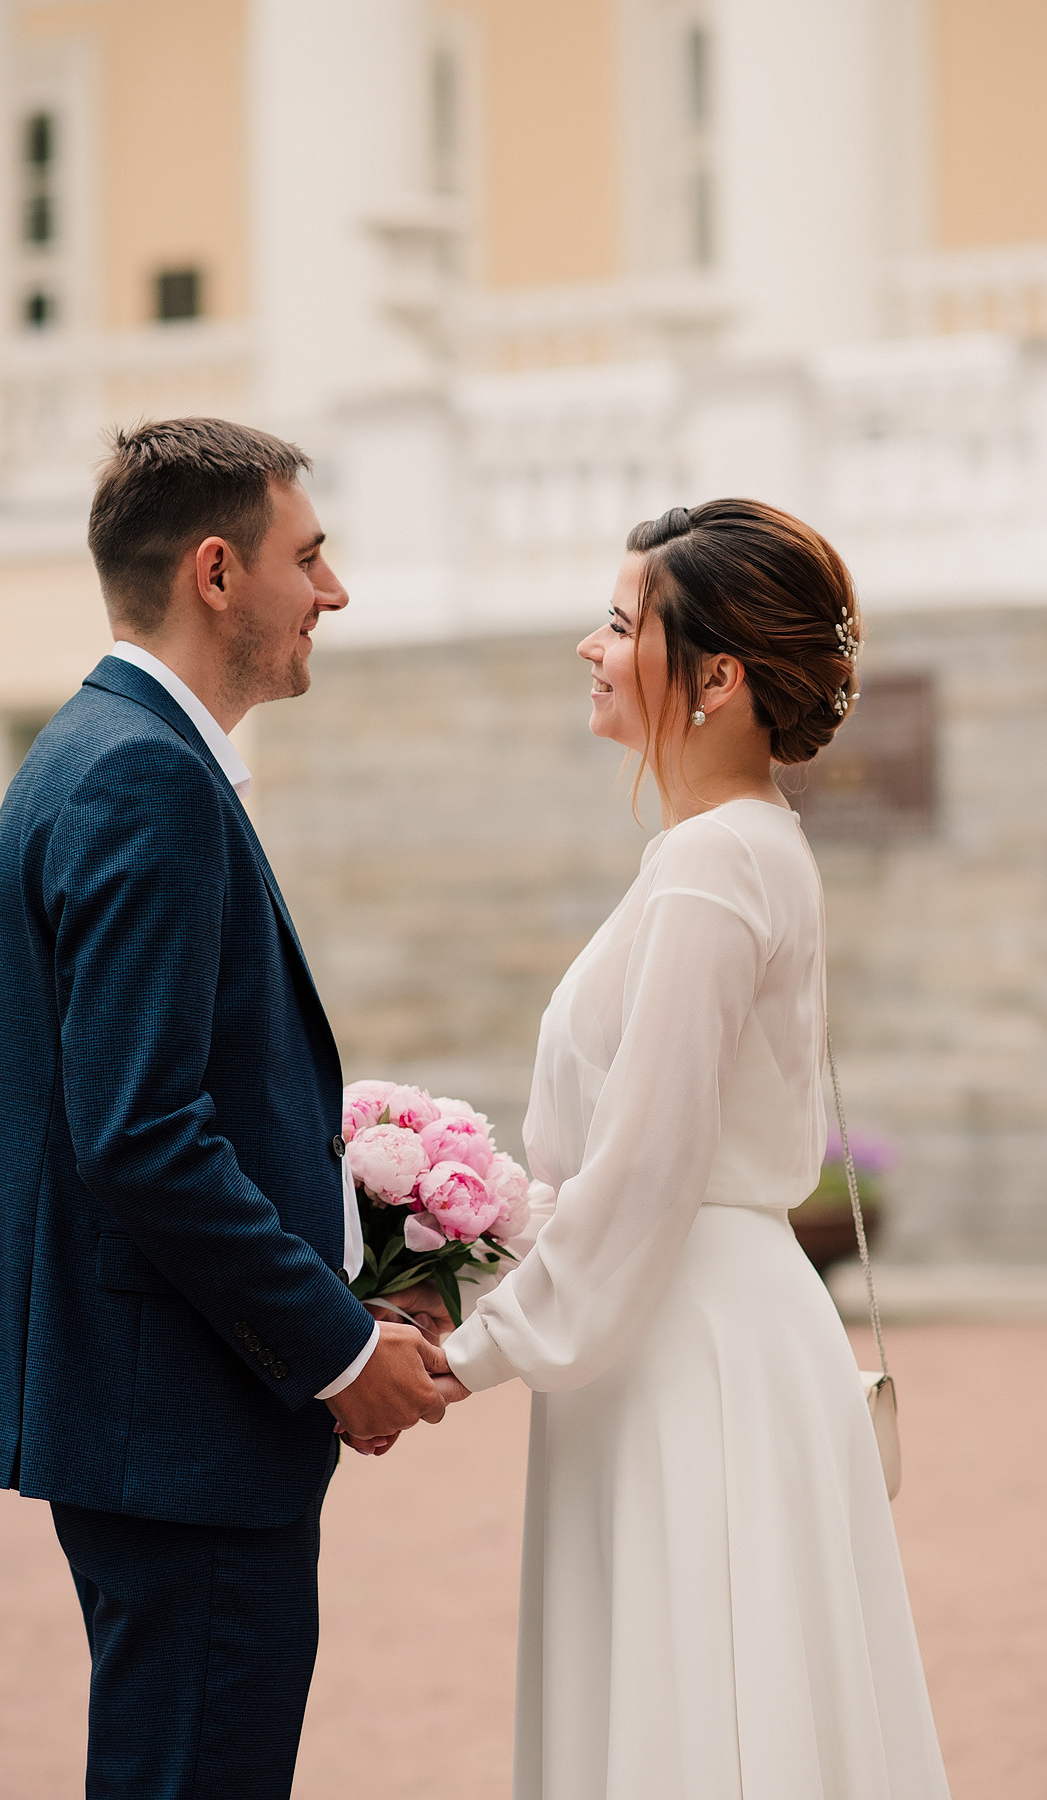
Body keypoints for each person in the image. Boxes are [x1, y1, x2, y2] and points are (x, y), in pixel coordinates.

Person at [0, 417, 455, 1799]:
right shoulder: (146, 777)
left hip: (155, 1415)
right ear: (218, 572)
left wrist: (358, 1263)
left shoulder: (93, 748)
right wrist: (336, 1348)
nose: (333, 592)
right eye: (309, 556)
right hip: (186, 1429)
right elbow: (140, 1134)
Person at [440, 501, 952, 1799]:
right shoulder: (739, 848)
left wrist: (461, 1350)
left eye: (621, 625)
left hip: (684, 1343)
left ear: (715, 678)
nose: (588, 648)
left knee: (698, 1711)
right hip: (699, 1326)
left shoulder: (710, 867)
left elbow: (646, 1165)